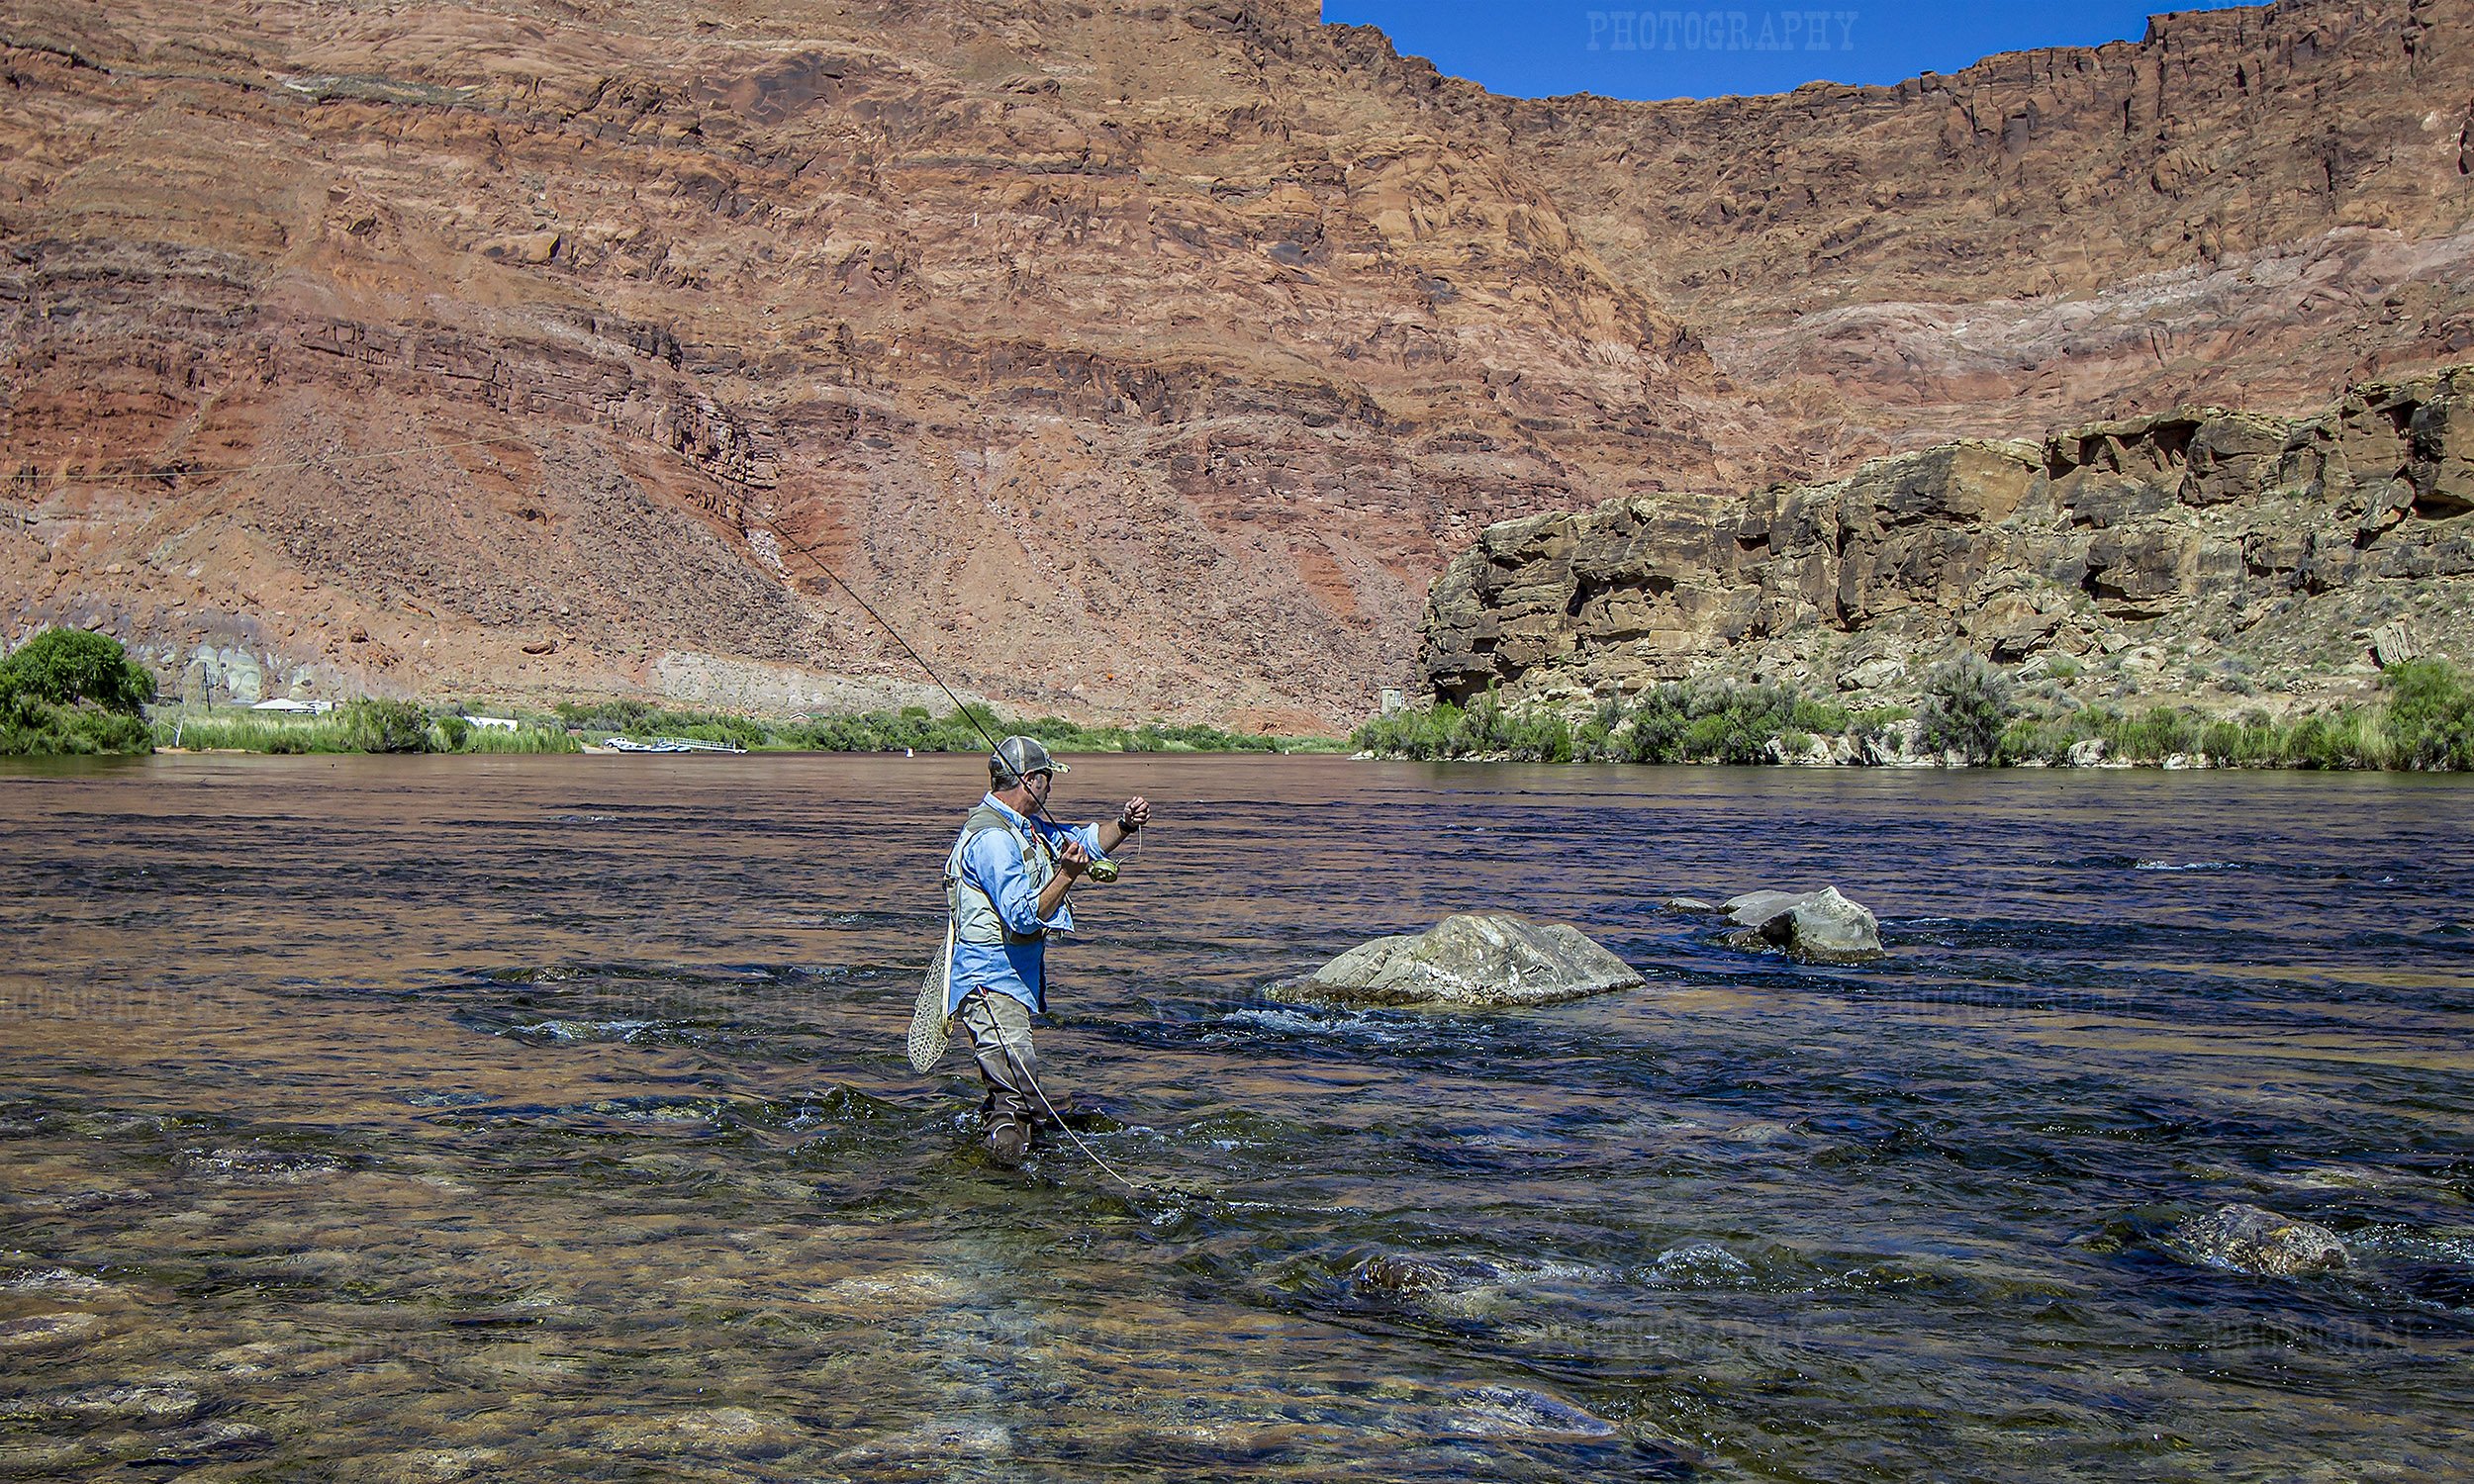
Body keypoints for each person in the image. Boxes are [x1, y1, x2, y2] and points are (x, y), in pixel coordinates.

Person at [942, 735, 1150, 1164]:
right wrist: (1067, 876)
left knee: (1017, 1095)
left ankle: (1008, 1178)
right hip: (987, 982)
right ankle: (1005, 1189)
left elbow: (1086, 841)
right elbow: (1021, 915)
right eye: (1048, 778)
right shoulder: (993, 840)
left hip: (1008, 981)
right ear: (1030, 780)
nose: (1052, 787)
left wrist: (1125, 824)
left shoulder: (1026, 828)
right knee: (1020, 1095)